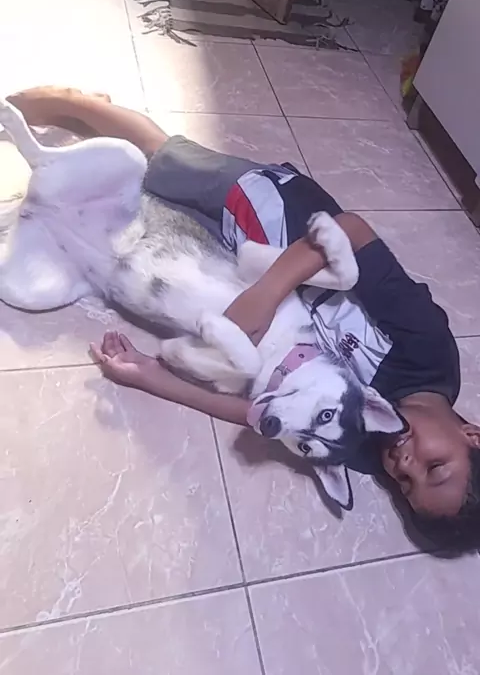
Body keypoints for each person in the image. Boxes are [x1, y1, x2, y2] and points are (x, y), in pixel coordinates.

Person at [9, 85, 480, 553]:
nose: (404, 464)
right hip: (282, 226)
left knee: (143, 214)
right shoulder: (427, 348)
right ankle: (79, 105)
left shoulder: (360, 443)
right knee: (162, 161)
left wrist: (153, 377)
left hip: (220, 279)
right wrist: (266, 293)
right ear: (472, 436)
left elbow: (260, 411)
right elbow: (351, 231)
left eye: (405, 485)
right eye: (435, 467)